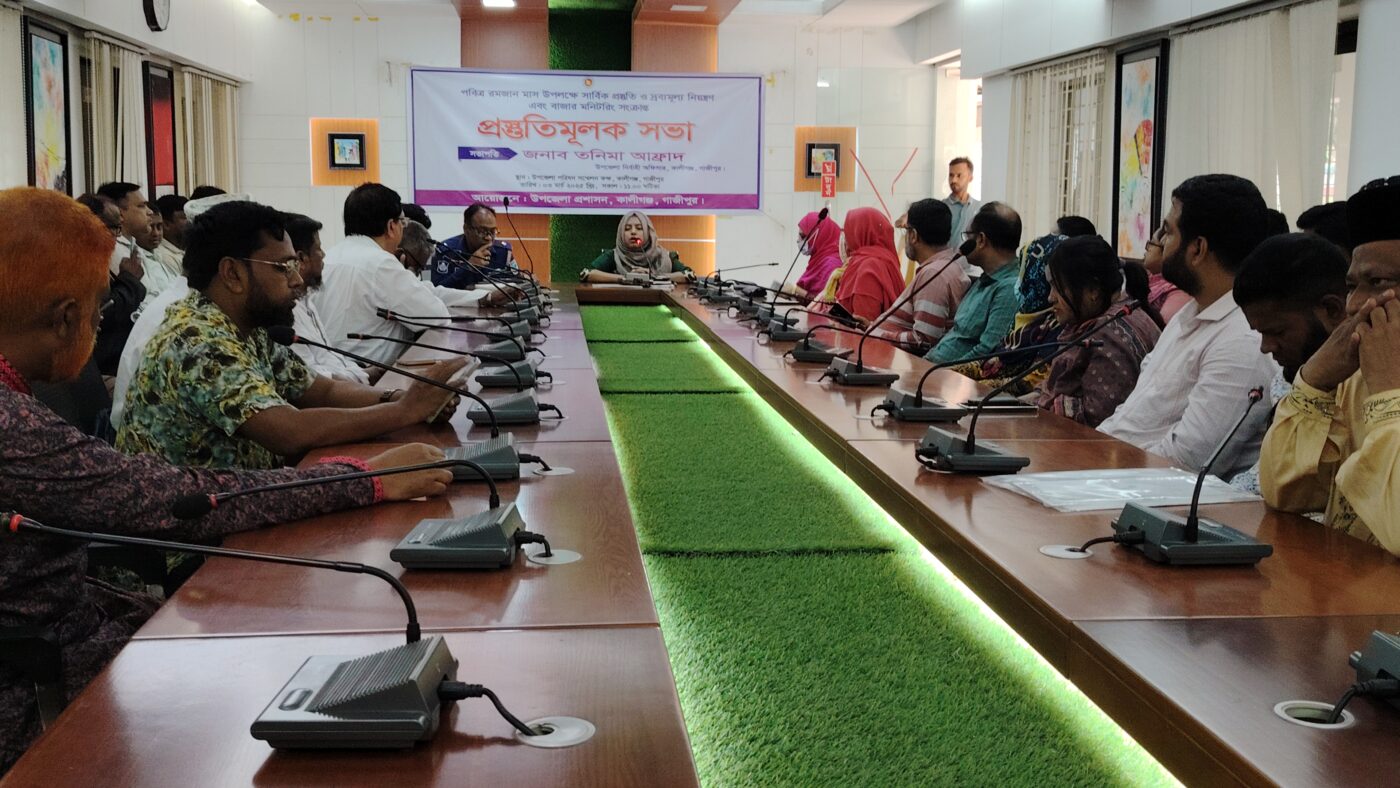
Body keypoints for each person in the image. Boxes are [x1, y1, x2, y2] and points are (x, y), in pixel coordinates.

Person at [0, 186, 454, 773]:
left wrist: (394, 406)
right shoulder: (15, 421)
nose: (98, 321)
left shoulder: (247, 329)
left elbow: (310, 392)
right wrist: (364, 478)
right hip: (47, 667)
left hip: (90, 613)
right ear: (65, 316)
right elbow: (177, 499)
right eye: (95, 308)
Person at [117, 200, 466, 470]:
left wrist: (397, 399)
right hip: (189, 549)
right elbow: (291, 432)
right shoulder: (195, 340)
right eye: (283, 267)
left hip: (239, 518)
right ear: (232, 273)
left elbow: (320, 390)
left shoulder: (245, 328)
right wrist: (406, 410)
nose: (297, 279)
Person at [1098, 174, 1280, 479]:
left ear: (1198, 248)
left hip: (1142, 496)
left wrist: (1098, 463)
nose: (1161, 242)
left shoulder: (1243, 341)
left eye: (1168, 232)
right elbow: (1132, 419)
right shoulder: (1191, 313)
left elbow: (1187, 462)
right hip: (1106, 472)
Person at [1258, 177, 1400, 554]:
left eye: (1378, 281)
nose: (1355, 305)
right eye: (1353, 285)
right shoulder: (1356, 368)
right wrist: (1313, 380)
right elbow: (1285, 490)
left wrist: (1389, 394)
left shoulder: (1382, 372)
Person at [311, 183, 502, 367]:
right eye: (402, 222)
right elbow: (435, 316)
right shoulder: (381, 263)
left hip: (333, 371)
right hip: (368, 377)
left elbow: (425, 291)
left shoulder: (330, 257)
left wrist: (483, 298)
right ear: (391, 227)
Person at [1229, 233, 1349, 496]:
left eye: (1278, 332)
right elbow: (1266, 480)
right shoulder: (1287, 378)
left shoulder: (1374, 384)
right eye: (1260, 333)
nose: (1266, 347)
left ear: (1332, 309)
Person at [1033, 236, 1162, 426]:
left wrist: (1042, 402)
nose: (1050, 298)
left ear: (1092, 290)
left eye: (1058, 288)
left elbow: (1097, 419)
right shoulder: (1122, 312)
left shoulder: (1109, 335)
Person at [949, 233, 1065, 384]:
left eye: (1024, 268)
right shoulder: (1025, 319)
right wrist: (944, 373)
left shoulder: (1054, 325)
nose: (1020, 277)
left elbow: (1028, 384)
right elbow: (989, 362)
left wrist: (965, 385)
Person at [927, 202, 1024, 364]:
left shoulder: (1009, 288)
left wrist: (934, 373)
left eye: (967, 236)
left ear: (980, 240)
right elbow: (956, 337)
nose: (962, 244)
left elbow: (985, 353)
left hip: (949, 380)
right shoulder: (984, 279)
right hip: (932, 369)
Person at [871, 199, 968, 355]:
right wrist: (871, 326)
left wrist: (881, 335)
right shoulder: (945, 265)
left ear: (914, 235)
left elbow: (923, 340)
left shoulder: (934, 274)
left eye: (907, 230)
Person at [284, 213, 370, 385]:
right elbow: (315, 378)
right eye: (318, 248)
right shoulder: (286, 313)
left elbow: (330, 359)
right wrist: (363, 382)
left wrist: (366, 373)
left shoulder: (307, 301)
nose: (323, 255)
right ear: (301, 259)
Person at [77, 194, 145, 376]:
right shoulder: (74, 261)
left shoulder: (96, 256)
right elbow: (103, 312)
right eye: (114, 228)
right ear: (92, 225)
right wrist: (130, 280)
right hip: (98, 367)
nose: (118, 235)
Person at [832, 207, 904, 324]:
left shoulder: (868, 267)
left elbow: (861, 323)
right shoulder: (884, 258)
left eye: (848, 232)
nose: (845, 240)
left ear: (859, 232)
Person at [580, 211, 692, 284]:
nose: (633, 232)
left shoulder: (663, 256)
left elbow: (689, 275)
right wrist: (625, 278)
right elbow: (587, 274)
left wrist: (653, 277)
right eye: (627, 229)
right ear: (621, 234)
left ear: (648, 232)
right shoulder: (614, 255)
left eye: (639, 228)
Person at [434, 203, 513, 289]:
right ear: (466, 229)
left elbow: (518, 283)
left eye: (493, 231)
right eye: (482, 231)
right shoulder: (446, 251)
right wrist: (469, 267)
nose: (489, 238)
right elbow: (437, 292)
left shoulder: (503, 252)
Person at [1142, 223, 1192, 325]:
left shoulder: (1178, 293)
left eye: (1152, 242)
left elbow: (1162, 330)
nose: (1147, 248)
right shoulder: (1148, 280)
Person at [792, 210, 843, 301]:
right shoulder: (819, 258)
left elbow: (824, 304)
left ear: (820, 235)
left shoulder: (831, 264)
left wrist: (796, 291)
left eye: (803, 236)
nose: (798, 240)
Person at [943, 157, 981, 242]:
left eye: (959, 175)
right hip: (947, 255)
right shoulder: (941, 208)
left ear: (970, 178)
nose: (954, 180)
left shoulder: (979, 208)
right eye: (951, 175)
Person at [153, 195, 189, 274]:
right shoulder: (164, 257)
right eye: (185, 217)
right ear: (166, 224)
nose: (190, 222)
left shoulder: (187, 249)